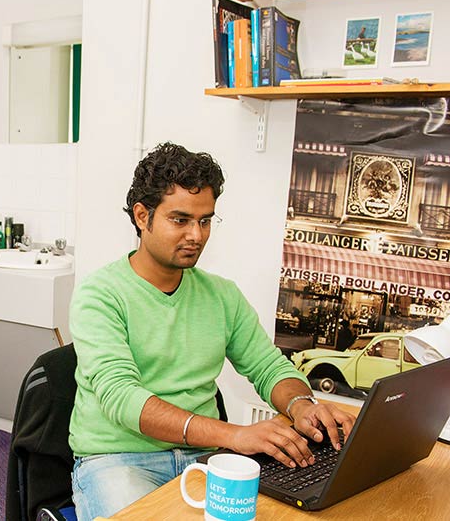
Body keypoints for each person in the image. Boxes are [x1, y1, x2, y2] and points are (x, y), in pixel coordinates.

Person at [68, 142, 356, 520]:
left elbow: (269, 367)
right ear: (142, 216)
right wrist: (233, 435)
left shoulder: (221, 295)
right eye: (181, 220)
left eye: (205, 221)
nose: (197, 235)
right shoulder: (100, 294)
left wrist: (302, 405)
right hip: (118, 459)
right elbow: (123, 399)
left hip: (201, 456)